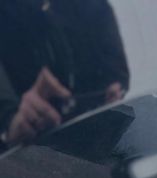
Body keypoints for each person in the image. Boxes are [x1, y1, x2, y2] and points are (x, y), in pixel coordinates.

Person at [0, 0, 129, 147]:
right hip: (24, 150)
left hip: (94, 143)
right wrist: (12, 120)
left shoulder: (94, 6)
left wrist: (111, 93)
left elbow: (118, 78)